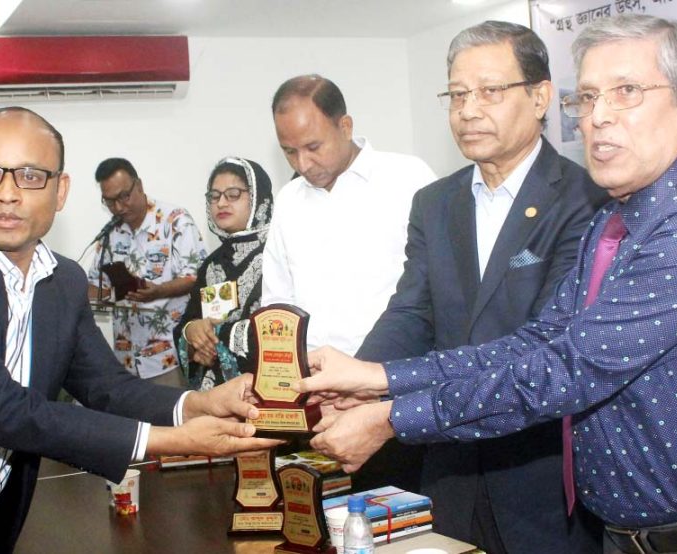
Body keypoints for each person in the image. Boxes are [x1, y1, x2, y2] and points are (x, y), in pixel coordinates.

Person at [299, 14, 677, 554]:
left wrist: (394, 416)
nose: (599, 117)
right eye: (588, 98)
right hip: (631, 536)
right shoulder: (616, 219)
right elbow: (538, 341)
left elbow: (569, 368)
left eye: (626, 92)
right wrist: (376, 375)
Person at [0, 107, 280, 553]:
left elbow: (106, 387)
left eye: (29, 176)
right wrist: (171, 441)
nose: (7, 194)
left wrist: (195, 403)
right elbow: (1, 409)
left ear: (60, 190)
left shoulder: (62, 281)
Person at [355, 21, 606, 554]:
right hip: (449, 471)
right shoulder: (434, 203)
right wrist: (356, 384)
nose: (468, 110)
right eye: (458, 94)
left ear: (540, 97)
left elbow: (546, 343)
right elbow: (412, 313)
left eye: (490, 91)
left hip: (541, 473)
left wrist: (385, 406)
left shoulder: (586, 199)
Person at [262, 74, 437, 356]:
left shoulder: (409, 179)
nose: (303, 164)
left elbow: (437, 287)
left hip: (394, 374)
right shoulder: (288, 201)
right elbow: (278, 301)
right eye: (289, 152)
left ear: (344, 127)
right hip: (314, 382)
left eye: (313, 147)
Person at [88, 157, 207, 384]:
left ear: (139, 185)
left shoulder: (175, 221)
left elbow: (196, 277)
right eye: (110, 201)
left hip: (169, 356)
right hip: (126, 360)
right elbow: (96, 285)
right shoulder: (109, 234)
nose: (119, 207)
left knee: (176, 419)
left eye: (124, 196)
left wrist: (158, 291)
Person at [174, 157, 273, 390]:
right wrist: (193, 335)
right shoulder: (212, 265)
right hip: (216, 398)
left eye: (233, 194)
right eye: (214, 196)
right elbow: (187, 323)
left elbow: (280, 329)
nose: (221, 203)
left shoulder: (279, 254)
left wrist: (215, 339)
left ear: (259, 199)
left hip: (267, 393)